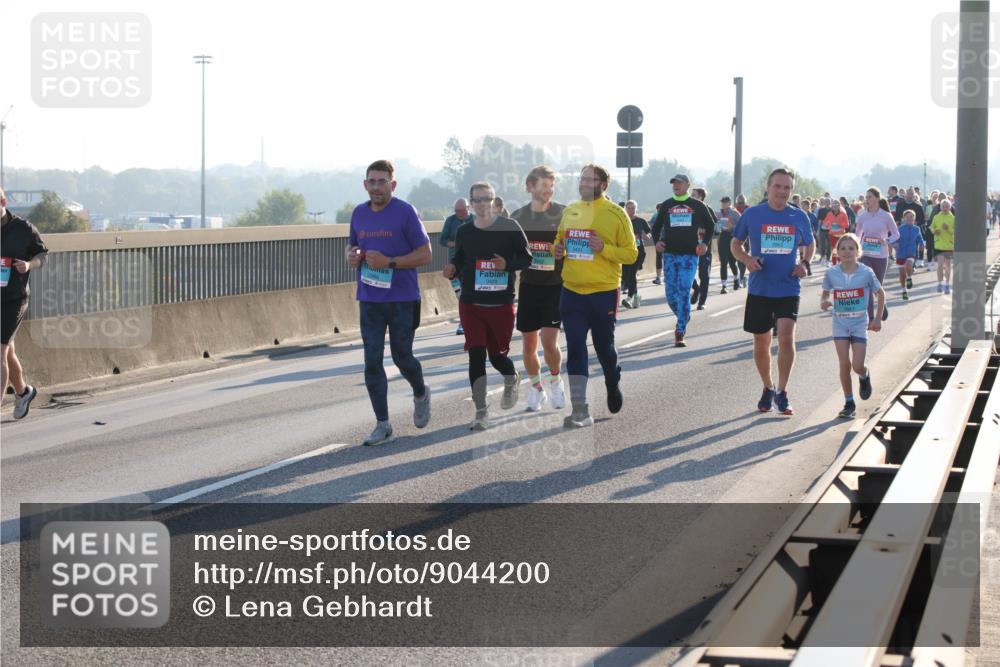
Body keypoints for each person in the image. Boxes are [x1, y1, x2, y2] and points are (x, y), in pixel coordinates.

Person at [346, 160, 432, 446]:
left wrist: (390, 262)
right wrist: (352, 255)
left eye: (382, 181)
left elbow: (425, 254)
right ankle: (383, 424)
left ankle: (420, 392)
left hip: (402, 298)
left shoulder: (405, 212)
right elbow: (352, 244)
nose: (377, 187)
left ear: (392, 185)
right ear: (365, 184)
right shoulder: (358, 213)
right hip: (369, 298)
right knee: (371, 360)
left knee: (401, 356)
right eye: (372, 181)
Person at [552, 164, 637, 428]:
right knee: (575, 348)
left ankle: (613, 382)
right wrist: (559, 250)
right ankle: (580, 409)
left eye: (590, 179)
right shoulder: (570, 211)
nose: (584, 183)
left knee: (604, 349)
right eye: (582, 179)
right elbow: (560, 242)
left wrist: (604, 248)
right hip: (573, 291)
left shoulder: (616, 214)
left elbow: (631, 254)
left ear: (603, 184)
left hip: (603, 292)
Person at [444, 182, 531, 430]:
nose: (482, 204)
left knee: (497, 356)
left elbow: (526, 258)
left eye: (487, 199)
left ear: (494, 201)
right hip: (471, 303)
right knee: (476, 355)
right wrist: (452, 269)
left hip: (501, 302)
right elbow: (459, 259)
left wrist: (507, 264)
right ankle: (481, 411)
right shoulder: (464, 231)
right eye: (478, 200)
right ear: (471, 203)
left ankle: (511, 377)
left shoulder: (509, 227)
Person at [731, 168, 814, 416]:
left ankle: (783, 391)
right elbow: (736, 244)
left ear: (791, 190)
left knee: (787, 337)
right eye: (778, 186)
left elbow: (810, 244)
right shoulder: (753, 214)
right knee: (761, 343)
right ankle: (768, 387)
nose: (782, 191)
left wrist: (805, 264)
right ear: (768, 188)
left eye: (787, 187)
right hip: (760, 288)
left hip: (788, 286)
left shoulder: (798, 216)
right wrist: (747, 259)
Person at [510, 165, 568, 412]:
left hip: (555, 286)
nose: (549, 190)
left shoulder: (564, 214)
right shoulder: (518, 217)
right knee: (528, 345)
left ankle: (555, 380)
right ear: (530, 187)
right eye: (544, 185)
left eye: (551, 185)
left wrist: (562, 250)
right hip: (529, 286)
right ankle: (536, 389)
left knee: (549, 341)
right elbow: (511, 252)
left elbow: (576, 247)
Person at [820, 233, 885, 418]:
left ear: (858, 251)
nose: (847, 252)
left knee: (857, 365)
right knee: (844, 363)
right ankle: (849, 402)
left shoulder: (866, 272)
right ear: (837, 251)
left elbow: (880, 294)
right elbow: (825, 293)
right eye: (843, 248)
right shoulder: (831, 272)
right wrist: (824, 301)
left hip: (859, 323)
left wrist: (877, 318)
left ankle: (864, 375)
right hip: (839, 323)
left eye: (851, 248)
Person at [1, 187, 48, 420]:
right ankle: (23, 392)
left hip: (14, 298)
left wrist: (29, 265)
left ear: (3, 201)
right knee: (7, 351)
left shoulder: (23, 228)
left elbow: (42, 255)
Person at [655, 174, 715, 346]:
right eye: (674, 183)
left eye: (679, 183)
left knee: (683, 291)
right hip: (670, 255)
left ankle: (680, 331)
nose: (676, 185)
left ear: (688, 185)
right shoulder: (667, 205)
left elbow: (711, 226)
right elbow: (656, 226)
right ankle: (684, 314)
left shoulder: (697, 205)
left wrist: (704, 243)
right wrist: (657, 242)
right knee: (671, 296)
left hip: (690, 256)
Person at [854, 187, 899, 320]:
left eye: (869, 197)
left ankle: (882, 303)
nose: (866, 200)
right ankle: (870, 318)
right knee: (867, 284)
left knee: (877, 286)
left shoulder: (886, 216)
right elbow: (857, 234)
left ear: (877, 199)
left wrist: (885, 241)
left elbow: (896, 234)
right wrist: (854, 249)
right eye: (866, 197)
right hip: (865, 254)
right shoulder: (862, 216)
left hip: (881, 256)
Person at [440, 199, 475, 335]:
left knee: (472, 294)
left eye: (462, 211)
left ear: (468, 208)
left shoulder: (475, 219)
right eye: (456, 211)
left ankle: (472, 321)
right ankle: (464, 322)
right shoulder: (451, 221)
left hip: (472, 263)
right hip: (456, 265)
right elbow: (442, 239)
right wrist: (455, 244)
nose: (459, 213)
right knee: (460, 294)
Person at [688, 187, 718, 311]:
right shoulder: (688, 208)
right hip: (689, 246)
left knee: (704, 275)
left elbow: (714, 228)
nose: (691, 196)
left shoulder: (708, 209)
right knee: (688, 272)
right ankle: (697, 288)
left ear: (700, 197)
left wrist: (703, 233)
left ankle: (702, 302)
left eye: (693, 194)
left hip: (704, 247)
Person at [621, 200, 651, 309]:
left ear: (636, 209)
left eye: (633, 208)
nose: (631, 210)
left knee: (632, 273)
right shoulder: (622, 220)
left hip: (638, 251)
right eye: (629, 208)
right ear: (625, 209)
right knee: (626, 275)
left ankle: (629, 298)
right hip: (625, 251)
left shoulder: (641, 221)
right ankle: (636, 295)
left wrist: (647, 235)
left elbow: (649, 231)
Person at [894, 209, 925, 300]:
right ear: (904, 218)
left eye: (912, 216)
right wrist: (894, 244)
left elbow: (920, 238)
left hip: (911, 252)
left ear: (914, 218)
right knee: (902, 274)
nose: (910, 218)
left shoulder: (917, 229)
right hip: (900, 253)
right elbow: (894, 239)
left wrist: (922, 244)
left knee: (909, 264)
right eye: (908, 217)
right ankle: (904, 291)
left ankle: (909, 278)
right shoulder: (900, 229)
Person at [717, 196, 742, 293]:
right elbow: (717, 228)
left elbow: (742, 226)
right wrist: (719, 226)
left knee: (732, 262)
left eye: (725, 202)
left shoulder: (735, 213)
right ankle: (724, 286)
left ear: (729, 203)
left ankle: (736, 279)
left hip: (732, 237)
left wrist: (733, 226)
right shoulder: (719, 214)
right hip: (723, 237)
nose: (723, 203)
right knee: (723, 262)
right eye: (722, 202)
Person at [930, 198, 955, 294]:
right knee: (940, 264)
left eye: (947, 207)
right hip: (939, 244)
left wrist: (948, 229)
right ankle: (940, 283)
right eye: (943, 207)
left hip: (948, 245)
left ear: (950, 207)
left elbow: (955, 232)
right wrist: (934, 231)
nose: (945, 208)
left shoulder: (953, 218)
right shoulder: (936, 217)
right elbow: (931, 227)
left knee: (947, 265)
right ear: (940, 207)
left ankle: (947, 285)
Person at [824, 200, 850, 265]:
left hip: (841, 234)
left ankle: (840, 262)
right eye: (834, 204)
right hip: (832, 234)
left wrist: (839, 224)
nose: (835, 205)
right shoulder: (829, 213)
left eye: (837, 204)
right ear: (832, 206)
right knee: (834, 249)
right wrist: (829, 224)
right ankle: (834, 264)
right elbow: (825, 222)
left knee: (840, 249)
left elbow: (847, 224)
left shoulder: (843, 213)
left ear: (839, 205)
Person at [649, 203, 663, 284]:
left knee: (659, 257)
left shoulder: (655, 215)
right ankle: (660, 277)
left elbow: (651, 226)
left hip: (658, 239)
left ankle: (658, 277)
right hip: (665, 239)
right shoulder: (661, 215)